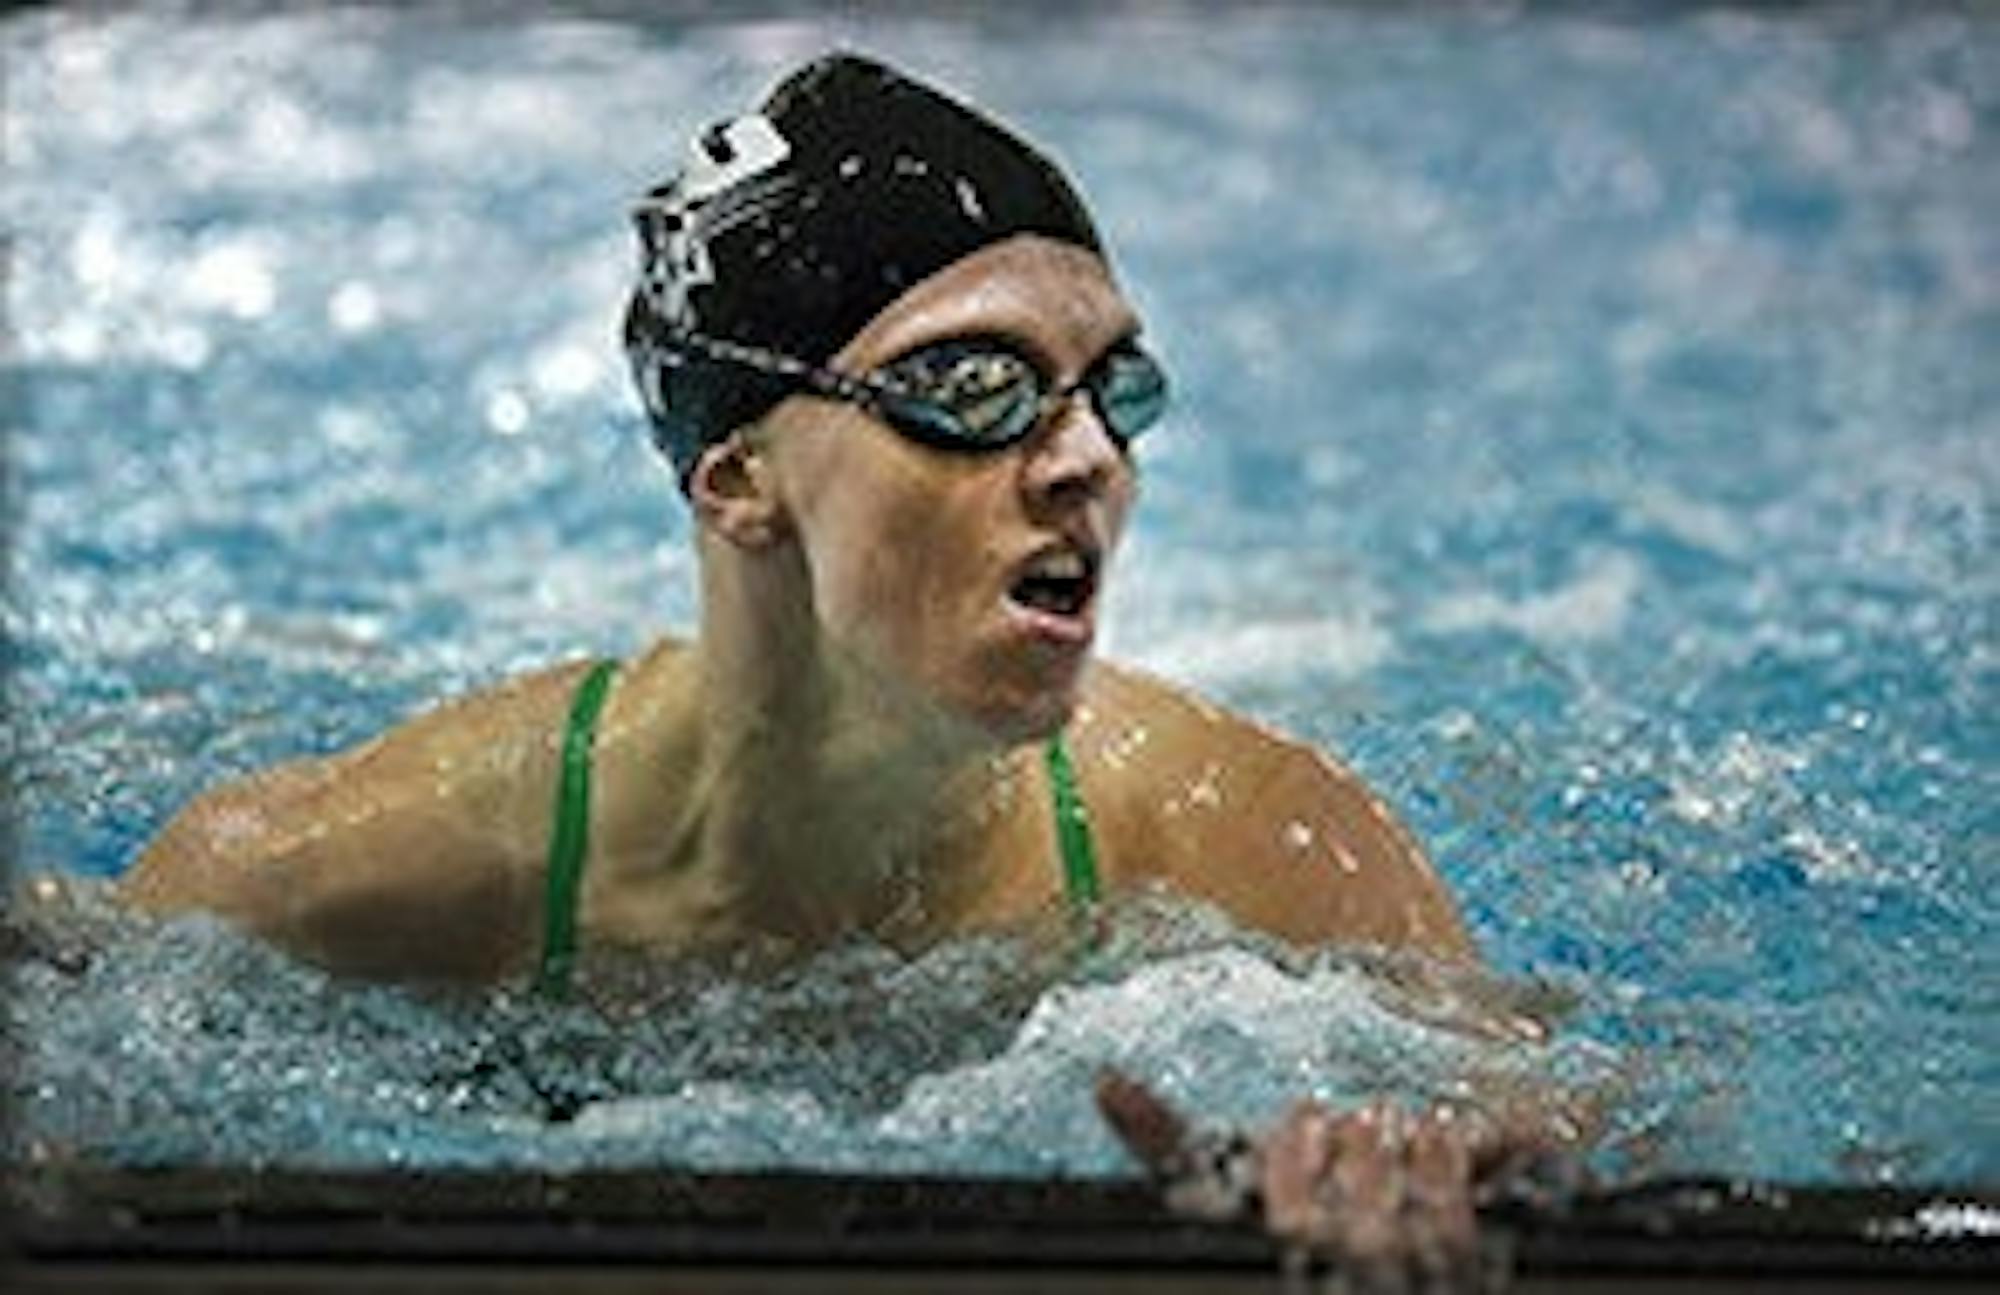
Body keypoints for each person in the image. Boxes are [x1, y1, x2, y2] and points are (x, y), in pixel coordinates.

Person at [121, 53, 1573, 1284]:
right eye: (973, 387)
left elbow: (1572, 1126)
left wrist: (1415, 1193)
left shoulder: (1245, 840)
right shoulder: (382, 864)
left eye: (1111, 389)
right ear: (739, 477)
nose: (1087, 459)